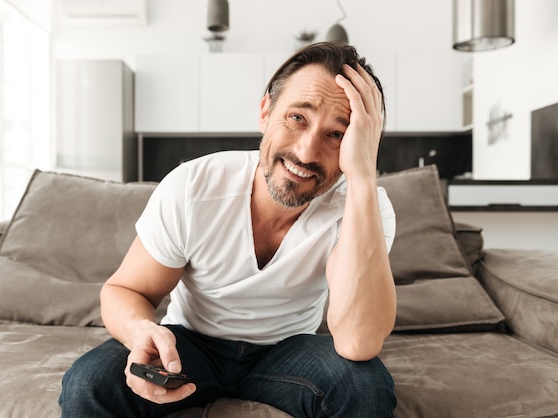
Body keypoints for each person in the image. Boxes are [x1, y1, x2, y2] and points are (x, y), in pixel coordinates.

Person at [59, 41, 397, 417]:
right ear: (266, 111)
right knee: (90, 382)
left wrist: (363, 177)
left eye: (337, 134)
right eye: (297, 118)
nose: (306, 153)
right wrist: (141, 332)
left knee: (365, 386)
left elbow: (357, 342)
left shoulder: (364, 206)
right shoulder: (194, 186)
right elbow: (125, 289)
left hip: (290, 350)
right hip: (191, 345)